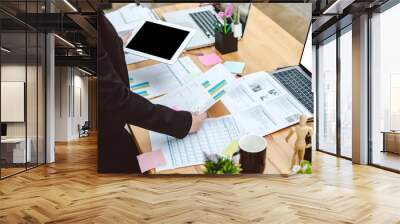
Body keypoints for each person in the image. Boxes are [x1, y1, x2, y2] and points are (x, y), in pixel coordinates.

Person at [97, 12, 206, 173]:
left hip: (107, 125)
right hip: (102, 143)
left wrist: (114, 43)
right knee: (150, 165)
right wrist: (182, 123)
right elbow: (115, 100)